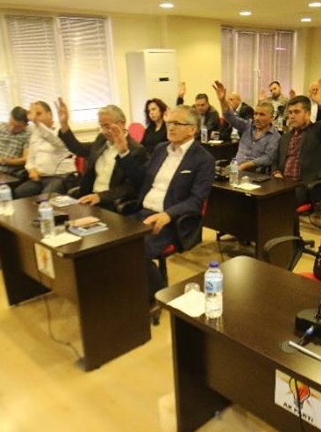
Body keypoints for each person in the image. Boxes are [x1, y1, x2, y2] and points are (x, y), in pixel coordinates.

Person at [116, 105, 215, 302]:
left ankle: (158, 297)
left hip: (171, 221)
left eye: (177, 123)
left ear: (192, 129)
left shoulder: (203, 159)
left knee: (137, 251)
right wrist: (124, 152)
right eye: (169, 122)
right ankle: (128, 291)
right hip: (142, 212)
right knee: (111, 242)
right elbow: (141, 178)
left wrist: (167, 215)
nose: (170, 127)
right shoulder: (161, 149)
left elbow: (196, 201)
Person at [53, 99, 147, 209]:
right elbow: (79, 149)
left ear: (121, 124)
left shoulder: (136, 150)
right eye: (102, 126)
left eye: (107, 126)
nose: (104, 131)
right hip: (89, 197)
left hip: (110, 202)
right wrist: (64, 125)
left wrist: (100, 197)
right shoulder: (102, 140)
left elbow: (130, 188)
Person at [273, 79, 321, 205]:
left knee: (277, 204)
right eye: (290, 112)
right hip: (284, 185)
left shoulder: (318, 130)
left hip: (308, 186)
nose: (292, 116)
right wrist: (276, 172)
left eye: (297, 112)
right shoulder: (285, 137)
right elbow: (275, 160)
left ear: (308, 114)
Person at [13, 101, 76, 198]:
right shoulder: (35, 134)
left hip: (61, 177)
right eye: (33, 114)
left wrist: (37, 123)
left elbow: (55, 140)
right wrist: (31, 170)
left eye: (38, 114)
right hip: (40, 178)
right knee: (19, 192)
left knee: (45, 197)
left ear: (49, 114)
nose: (35, 117)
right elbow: (30, 159)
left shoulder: (62, 130)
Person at [214, 80, 279, 172]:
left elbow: (268, 158)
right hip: (234, 170)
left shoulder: (274, 136)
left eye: (262, 115)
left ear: (271, 118)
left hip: (254, 174)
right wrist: (222, 100)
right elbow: (230, 117)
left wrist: (246, 165)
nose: (257, 118)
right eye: (256, 114)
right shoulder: (247, 126)